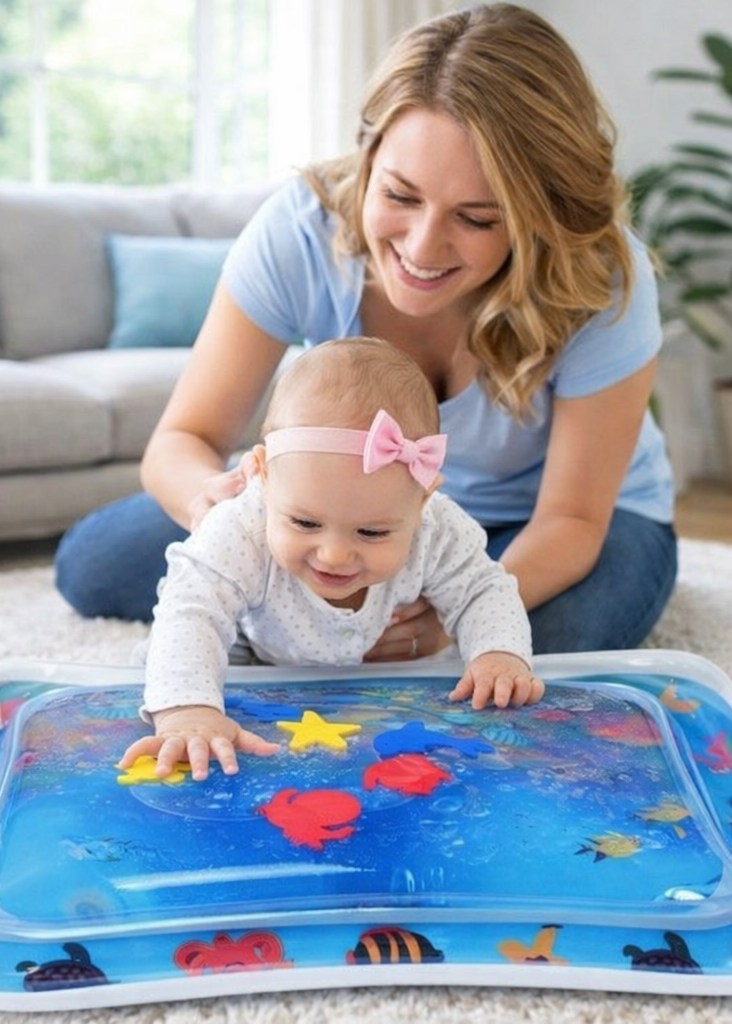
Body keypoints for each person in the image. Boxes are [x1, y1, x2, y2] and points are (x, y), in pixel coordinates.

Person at [56, 2, 677, 659]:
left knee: (537, 646)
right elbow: (183, 441)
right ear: (369, 149)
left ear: (537, 216)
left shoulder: (598, 278)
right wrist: (229, 520)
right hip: (342, 508)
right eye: (401, 196)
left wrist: (448, 610)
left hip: (551, 519)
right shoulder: (301, 231)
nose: (423, 244)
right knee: (97, 564)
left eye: (476, 217)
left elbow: (572, 519)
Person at [120, 337, 543, 781]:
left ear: (422, 501)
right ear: (263, 476)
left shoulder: (436, 527)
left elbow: (482, 588)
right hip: (245, 654)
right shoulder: (240, 527)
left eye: (372, 531)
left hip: (364, 674)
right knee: (176, 679)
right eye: (305, 523)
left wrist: (499, 653)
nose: (334, 554)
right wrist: (188, 710)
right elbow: (193, 611)